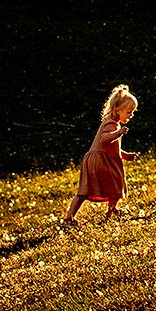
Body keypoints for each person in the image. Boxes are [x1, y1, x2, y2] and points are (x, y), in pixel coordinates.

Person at [63, 84, 140, 225]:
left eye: (132, 112)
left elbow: (111, 147)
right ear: (118, 110)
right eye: (129, 112)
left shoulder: (110, 122)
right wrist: (118, 133)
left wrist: (125, 155)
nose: (131, 115)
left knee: (85, 191)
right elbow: (104, 139)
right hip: (100, 160)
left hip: (96, 158)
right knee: (116, 184)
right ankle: (111, 211)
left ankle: (70, 217)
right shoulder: (111, 125)